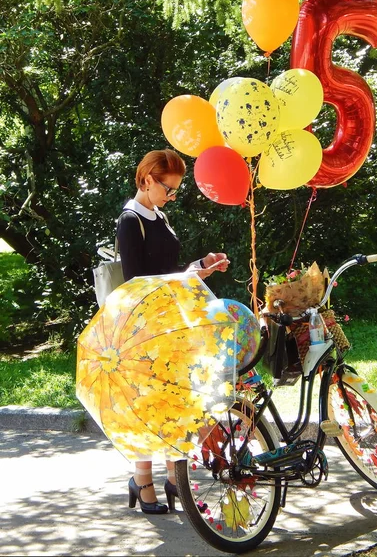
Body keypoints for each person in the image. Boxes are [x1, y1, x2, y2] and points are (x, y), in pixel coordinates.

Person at [117, 148, 229, 515]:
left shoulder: (158, 215)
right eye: (167, 188)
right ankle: (141, 479)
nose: (170, 196)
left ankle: (172, 477)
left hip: (170, 323)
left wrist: (199, 267)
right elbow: (137, 282)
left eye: (175, 190)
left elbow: (169, 268)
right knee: (149, 405)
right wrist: (186, 275)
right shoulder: (130, 220)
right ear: (146, 179)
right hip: (146, 328)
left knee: (176, 401)